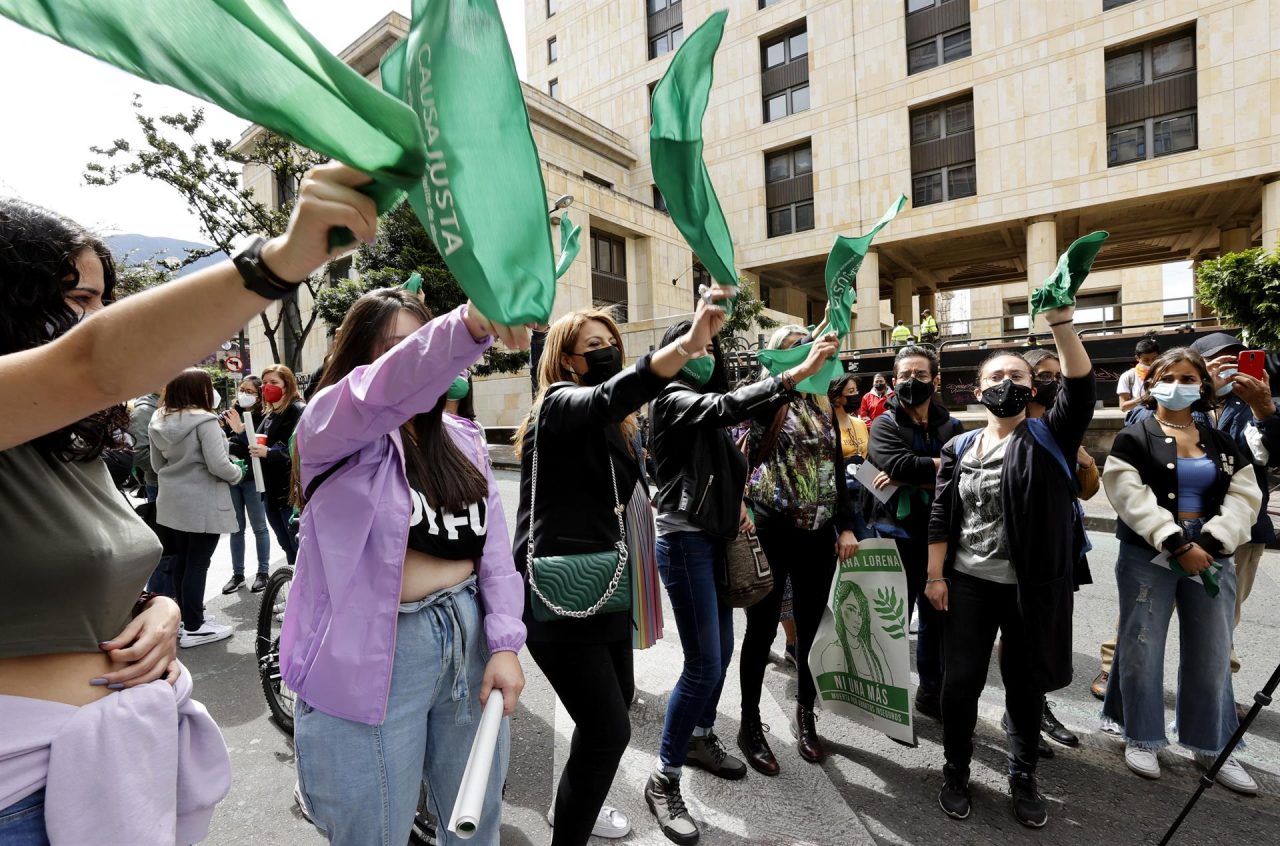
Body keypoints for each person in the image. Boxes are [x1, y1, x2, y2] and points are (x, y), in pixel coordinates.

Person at [0, 161, 368, 841]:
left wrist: (161, 610)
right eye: (80, 300)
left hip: (115, 773)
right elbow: (92, 361)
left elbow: (71, 575)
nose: (98, 319)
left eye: (105, 300)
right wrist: (282, 259)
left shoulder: (68, 443)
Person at [283, 288, 529, 845]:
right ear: (358, 360)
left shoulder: (463, 441)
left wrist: (506, 644)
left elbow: (493, 557)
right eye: (400, 349)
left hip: (467, 642)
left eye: (425, 342)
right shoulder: (330, 430)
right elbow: (380, 393)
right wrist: (467, 322)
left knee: (474, 824)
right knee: (374, 832)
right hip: (373, 654)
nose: (421, 360)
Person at [513, 295, 727, 846]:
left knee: (610, 715)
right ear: (566, 360)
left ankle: (577, 805)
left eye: (612, 343)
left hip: (604, 585)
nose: (607, 351)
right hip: (560, 594)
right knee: (610, 732)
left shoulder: (615, 426)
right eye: (594, 346)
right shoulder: (558, 405)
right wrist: (683, 346)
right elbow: (613, 392)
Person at [648, 321, 837, 843]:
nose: (706, 356)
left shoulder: (712, 399)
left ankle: (701, 736)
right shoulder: (670, 401)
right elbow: (727, 410)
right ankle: (664, 777)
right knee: (705, 660)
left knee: (723, 646)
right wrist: (795, 370)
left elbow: (731, 449)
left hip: (716, 539)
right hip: (685, 541)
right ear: (669, 353)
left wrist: (739, 508)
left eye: (709, 347)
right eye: (694, 348)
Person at [926, 305, 1095, 828]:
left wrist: (1061, 324)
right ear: (977, 391)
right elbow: (941, 513)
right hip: (969, 586)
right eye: (994, 376)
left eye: (1016, 375)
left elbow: (1082, 385)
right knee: (961, 684)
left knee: (1025, 687)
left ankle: (1023, 776)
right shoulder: (959, 446)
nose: (1006, 382)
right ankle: (956, 770)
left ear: (1033, 387)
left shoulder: (1051, 437)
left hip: (1031, 590)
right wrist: (935, 576)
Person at [1101, 348, 1262, 796]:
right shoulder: (1133, 437)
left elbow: (1246, 495)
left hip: (1212, 555)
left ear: (1203, 385)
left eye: (1188, 376)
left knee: (1213, 652)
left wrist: (1207, 544)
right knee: (1140, 645)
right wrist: (1174, 542)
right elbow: (1127, 495)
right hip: (1148, 555)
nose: (1178, 383)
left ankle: (1211, 745)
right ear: (1151, 384)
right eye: (1168, 376)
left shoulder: (1221, 441)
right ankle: (1142, 736)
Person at [736, 325, 858, 774]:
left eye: (812, 348)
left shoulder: (822, 404)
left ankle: (806, 715)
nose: (810, 355)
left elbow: (837, 467)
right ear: (777, 359)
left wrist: (845, 525)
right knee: (762, 629)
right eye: (797, 349)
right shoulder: (765, 399)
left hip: (817, 535)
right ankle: (750, 723)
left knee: (810, 628)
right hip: (771, 531)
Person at [866, 345, 963, 720]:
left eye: (920, 375)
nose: (911, 382)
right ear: (893, 381)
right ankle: (884, 695)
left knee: (937, 617)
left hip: (939, 534)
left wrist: (915, 475)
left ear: (935, 380)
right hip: (893, 534)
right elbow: (896, 463)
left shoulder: (951, 425)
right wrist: (938, 466)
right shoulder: (883, 424)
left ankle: (931, 690)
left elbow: (963, 468)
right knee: (891, 620)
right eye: (905, 376)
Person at [1021, 347, 1101, 752]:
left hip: (1063, 540)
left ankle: (1036, 706)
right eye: (1044, 375)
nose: (1052, 382)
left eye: (1058, 375)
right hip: (1024, 547)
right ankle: (1024, 709)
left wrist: (1083, 458)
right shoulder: (1013, 425)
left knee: (1048, 629)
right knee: (1021, 630)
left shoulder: (1065, 428)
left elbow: (1088, 489)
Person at [1189, 333, 1280, 680]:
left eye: (1236, 360)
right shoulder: (1180, 396)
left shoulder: (1260, 405)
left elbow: (1269, 456)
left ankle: (1217, 681)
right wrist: (1200, 392)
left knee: (1224, 612)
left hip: (1242, 528)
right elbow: (1144, 428)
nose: (1228, 367)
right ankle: (1113, 667)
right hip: (1180, 524)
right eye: (1218, 361)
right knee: (1148, 606)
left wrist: (1265, 408)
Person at [150, 367, 245, 648]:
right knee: (198, 564)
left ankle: (186, 620)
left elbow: (157, 466)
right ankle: (194, 626)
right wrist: (238, 473)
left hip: (170, 502)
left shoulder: (158, 419)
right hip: (203, 502)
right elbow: (219, 464)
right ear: (198, 391)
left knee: (181, 561)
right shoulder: (206, 422)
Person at [243, 364, 306, 564]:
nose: (266, 387)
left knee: (298, 545)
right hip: (271, 492)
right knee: (286, 545)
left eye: (273, 382)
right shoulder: (269, 415)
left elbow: (299, 449)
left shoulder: (297, 410)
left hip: (290, 492)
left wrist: (269, 453)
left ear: (286, 385)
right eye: (264, 383)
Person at [220, 375, 273, 593]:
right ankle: (238, 574)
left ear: (259, 394)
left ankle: (263, 572)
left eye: (250, 391)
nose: (244, 394)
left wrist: (240, 433)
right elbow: (219, 441)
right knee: (236, 528)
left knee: (259, 527)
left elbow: (257, 445)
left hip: (253, 479)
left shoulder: (264, 415)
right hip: (233, 478)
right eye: (242, 389)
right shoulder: (230, 414)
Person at [829, 373, 871, 540]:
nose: (856, 395)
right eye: (851, 391)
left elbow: (867, 457)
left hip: (865, 495)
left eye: (856, 390)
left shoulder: (860, 424)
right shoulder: (827, 427)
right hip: (843, 498)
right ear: (837, 398)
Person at [1116, 337, 1161, 415]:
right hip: (1140, 417)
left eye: (1154, 359)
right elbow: (1123, 407)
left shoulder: (1166, 373)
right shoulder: (1128, 376)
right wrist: (1144, 398)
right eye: (1146, 360)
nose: (1151, 363)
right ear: (1137, 358)